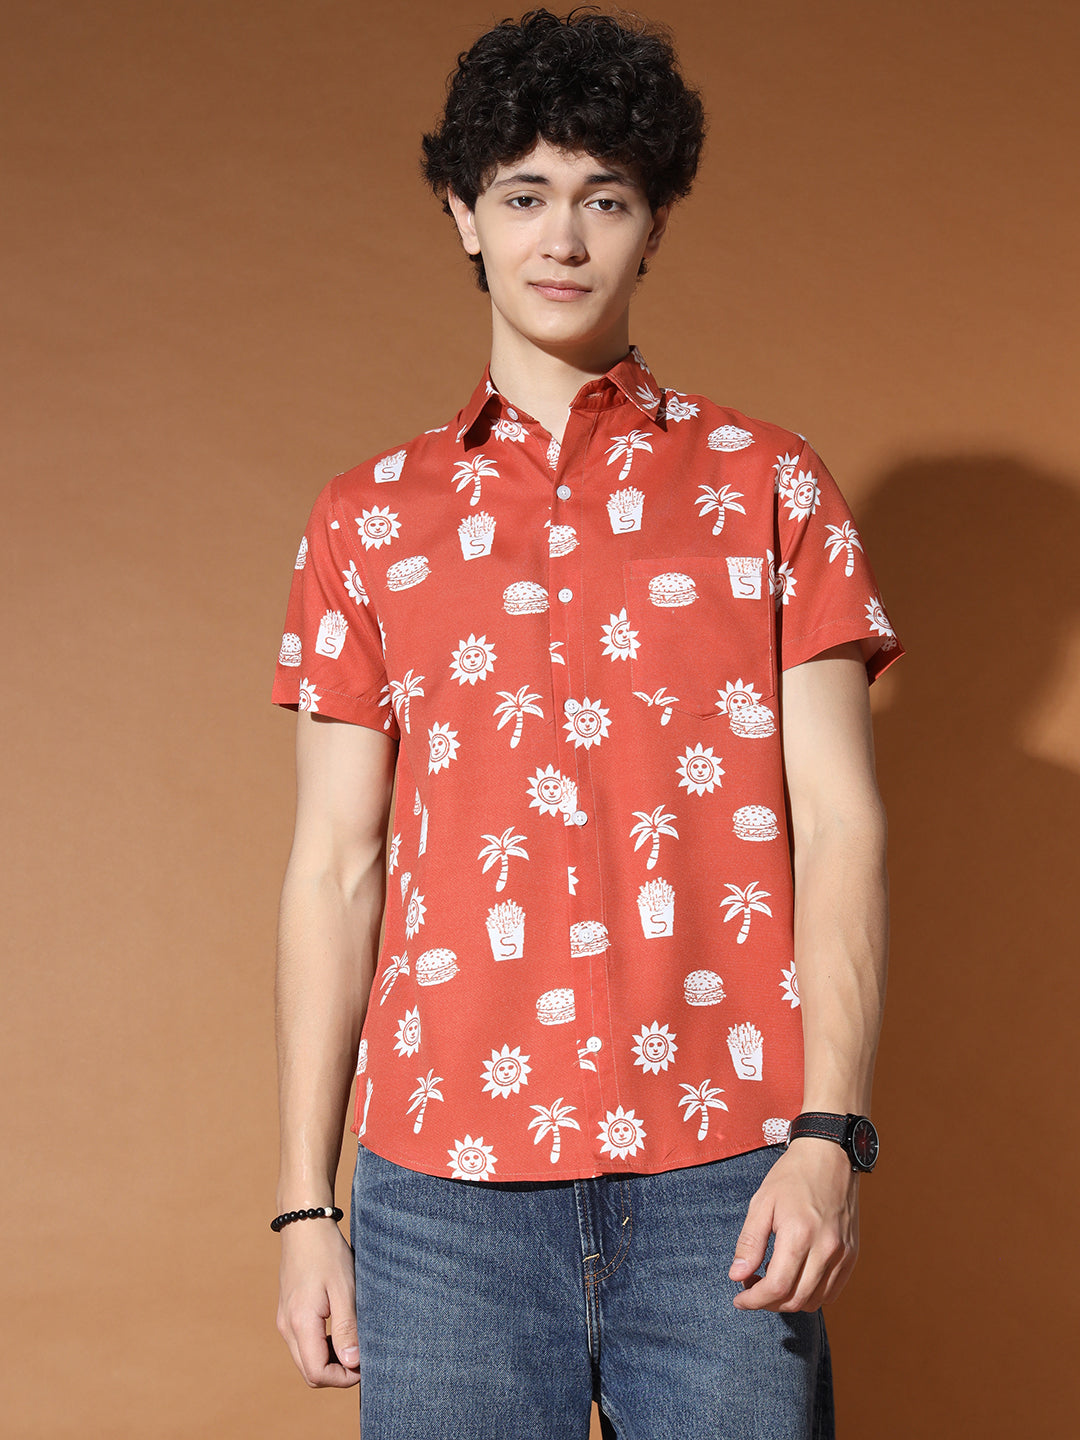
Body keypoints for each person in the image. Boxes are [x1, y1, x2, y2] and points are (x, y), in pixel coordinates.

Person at [270, 8, 902, 1438]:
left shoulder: (769, 487)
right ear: (464, 213)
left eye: (605, 199)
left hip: (728, 1168)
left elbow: (840, 824)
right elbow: (333, 867)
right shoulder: (366, 520)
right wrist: (305, 1205)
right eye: (524, 196)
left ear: (654, 223)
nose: (562, 239)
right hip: (444, 1197)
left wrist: (828, 1134)